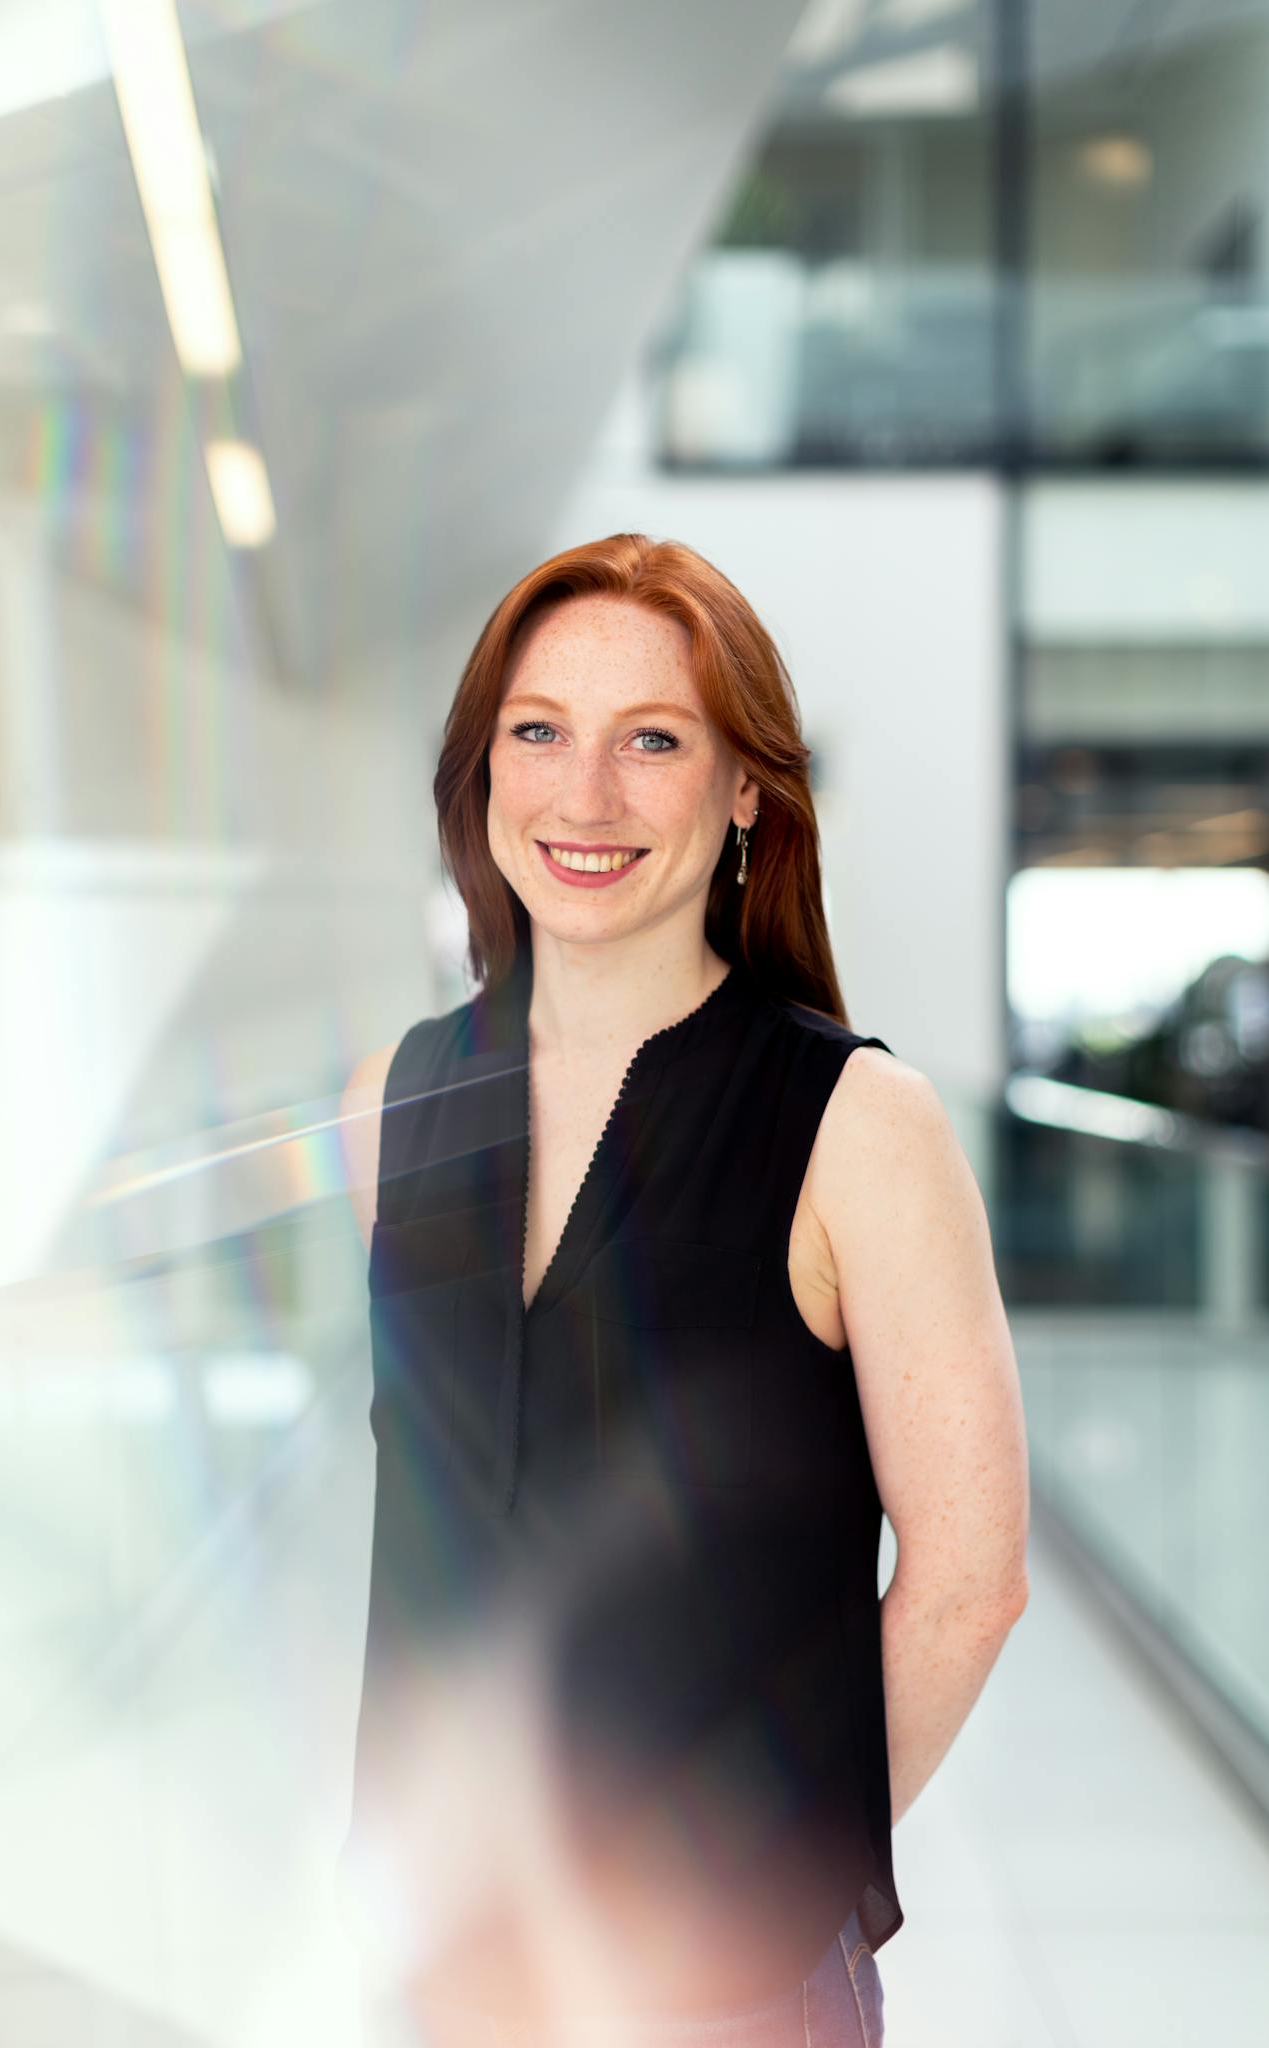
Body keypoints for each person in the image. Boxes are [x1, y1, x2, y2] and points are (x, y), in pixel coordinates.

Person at [334, 533, 1031, 2048]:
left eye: (652, 740)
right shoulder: (393, 1101)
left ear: (745, 789)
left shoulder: (857, 1128)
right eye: (539, 733)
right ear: (482, 771)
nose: (584, 797)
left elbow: (972, 1579)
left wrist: (765, 1873)